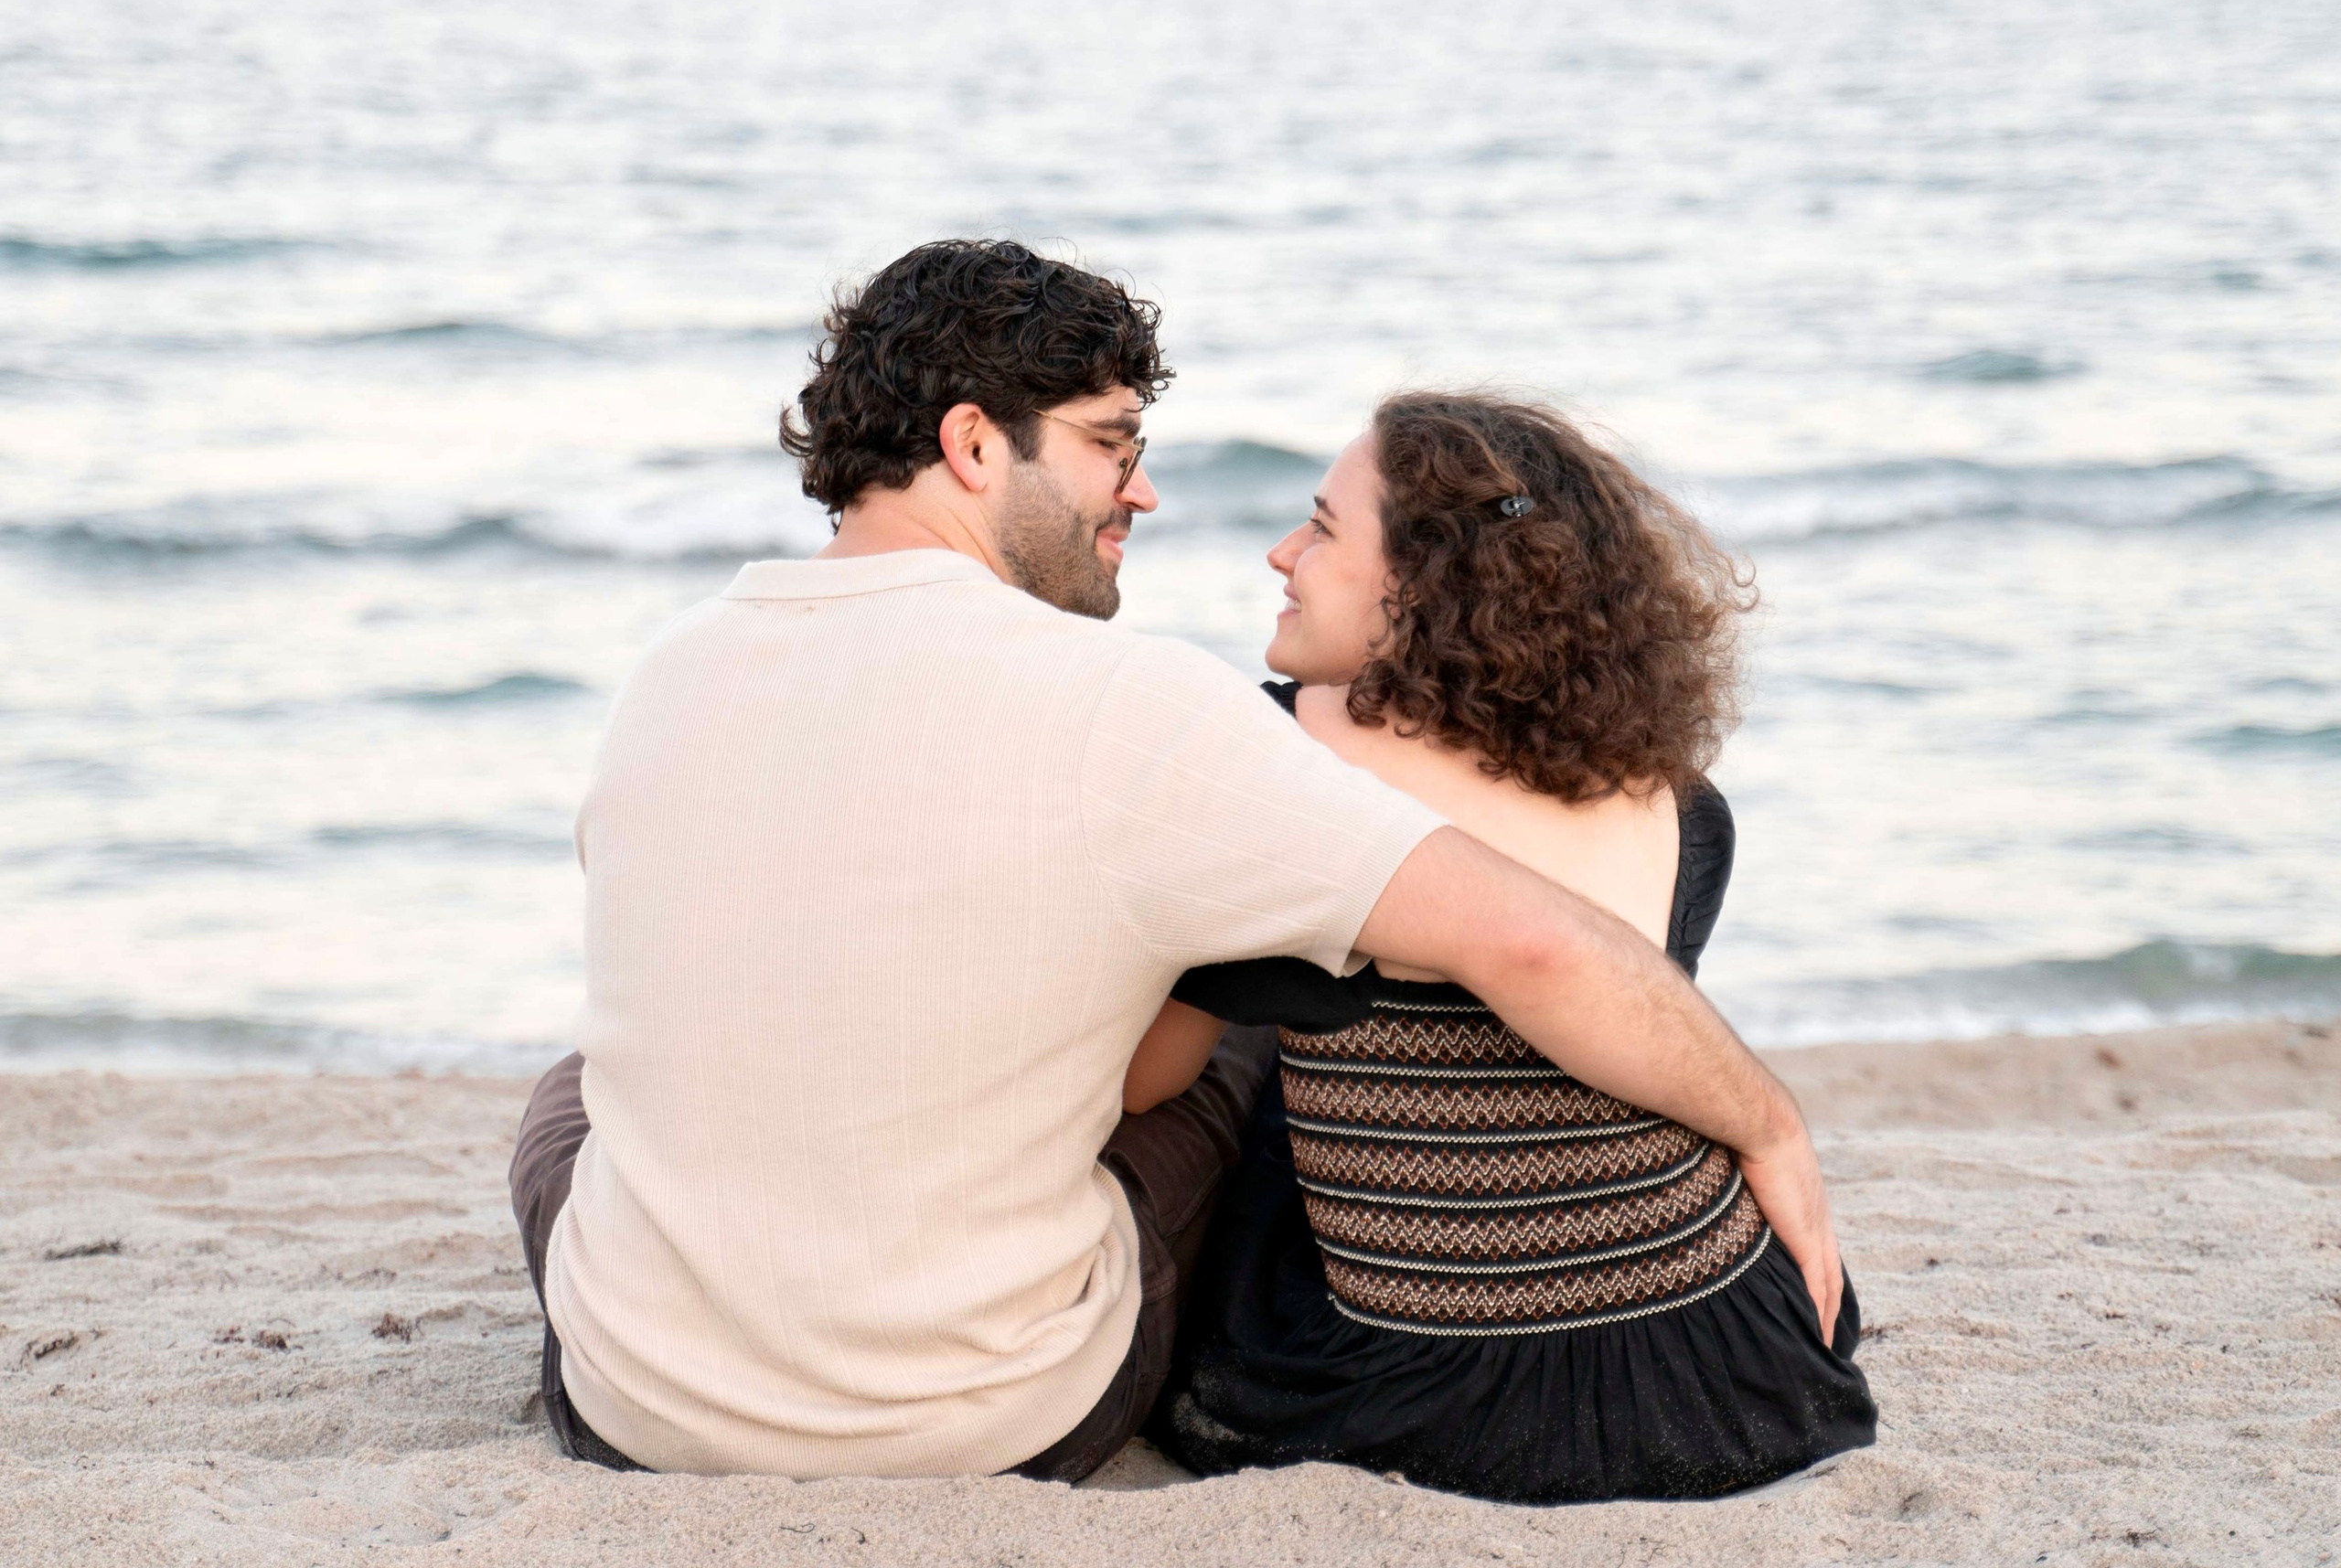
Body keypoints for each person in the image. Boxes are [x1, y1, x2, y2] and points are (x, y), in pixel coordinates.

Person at [508, 240, 1849, 1483]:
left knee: (574, 1097)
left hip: (636, 1415)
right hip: (1008, 1420)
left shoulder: (668, 675)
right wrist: (1770, 1123)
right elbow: (1537, 937)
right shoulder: (1129, 704)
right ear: (973, 444)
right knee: (1232, 1042)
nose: (1141, 487)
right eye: (1109, 444)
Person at [1144, 393, 1876, 1501]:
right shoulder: (1684, 806)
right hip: (1726, 1359)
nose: (1281, 551)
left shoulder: (1280, 760)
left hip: (1413, 1386)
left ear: (1421, 582)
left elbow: (1147, 1074)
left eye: (1323, 528)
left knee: (1236, 1055)